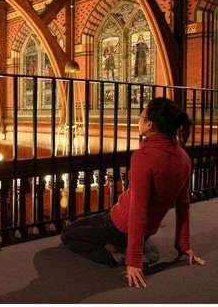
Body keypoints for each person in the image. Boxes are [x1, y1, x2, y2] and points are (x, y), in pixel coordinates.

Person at [61, 97, 206, 289]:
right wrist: (183, 244)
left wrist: (133, 261)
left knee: (69, 233)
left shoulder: (144, 157)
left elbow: (138, 210)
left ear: (149, 124)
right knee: (86, 222)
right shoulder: (183, 157)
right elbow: (183, 204)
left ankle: (115, 254)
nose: (138, 119)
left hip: (119, 226)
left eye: (142, 115)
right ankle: (138, 247)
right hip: (132, 224)